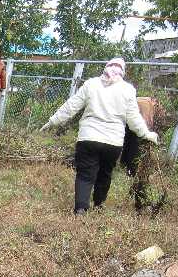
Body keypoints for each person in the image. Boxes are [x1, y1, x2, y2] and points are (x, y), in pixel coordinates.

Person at [40, 58, 158, 214]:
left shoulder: (91, 84)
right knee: (105, 173)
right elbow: (134, 119)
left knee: (85, 174)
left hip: (88, 138)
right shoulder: (127, 90)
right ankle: (98, 205)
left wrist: (52, 121)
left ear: (106, 68)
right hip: (113, 142)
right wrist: (147, 134)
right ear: (123, 72)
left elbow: (71, 106)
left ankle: (81, 208)